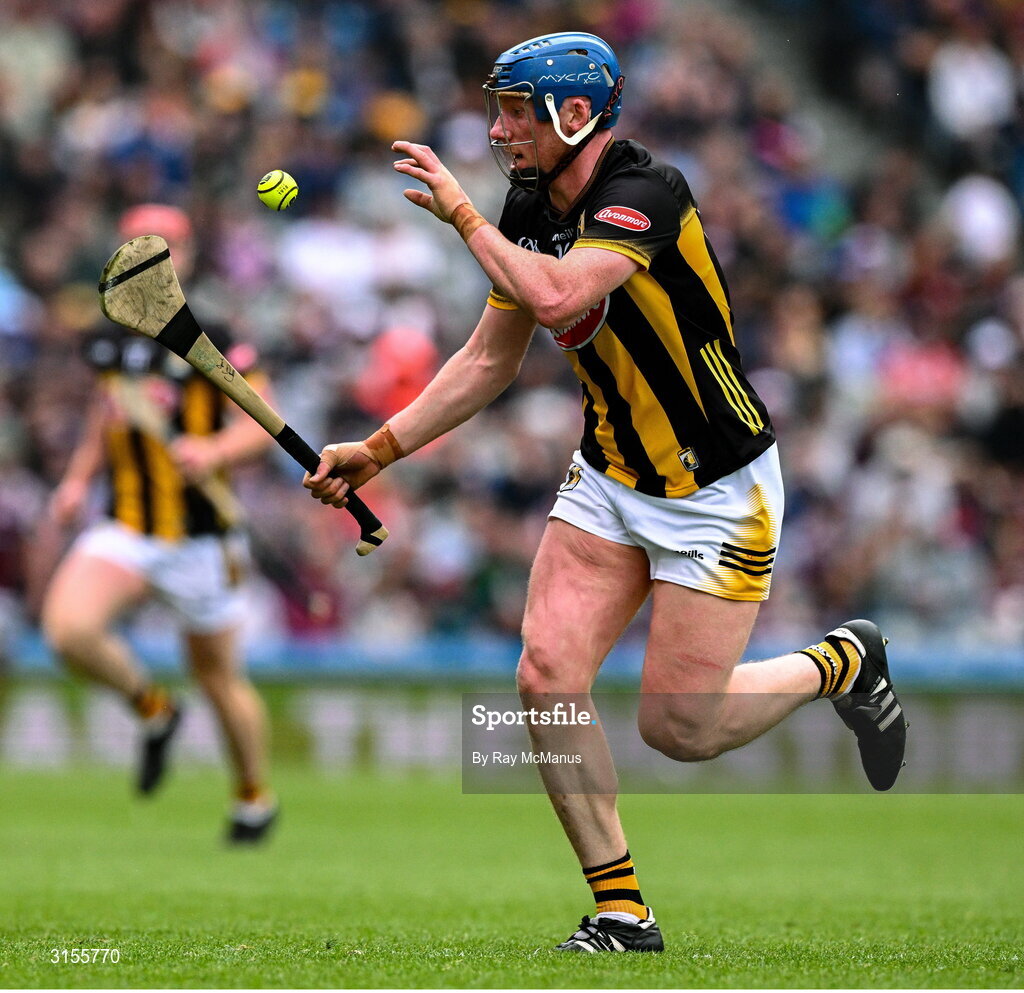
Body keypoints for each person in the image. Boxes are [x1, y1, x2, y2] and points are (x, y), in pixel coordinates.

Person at [304, 33, 907, 950]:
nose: (500, 128)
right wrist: (381, 448)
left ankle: (843, 663)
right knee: (546, 674)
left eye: (516, 110)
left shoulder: (647, 193)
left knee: (681, 727)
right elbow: (489, 357)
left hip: (717, 487)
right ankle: (623, 908)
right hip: (610, 473)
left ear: (574, 116)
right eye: (499, 108)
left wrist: (469, 221)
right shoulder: (527, 201)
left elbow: (555, 298)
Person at [42, 204, 278, 844]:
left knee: (219, 676)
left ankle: (253, 795)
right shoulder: (112, 337)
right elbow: (106, 413)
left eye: (170, 247)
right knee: (68, 629)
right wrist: (76, 479)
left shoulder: (218, 332)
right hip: (130, 524)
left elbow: (263, 421)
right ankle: (154, 710)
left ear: (188, 257)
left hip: (204, 537)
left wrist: (215, 452)